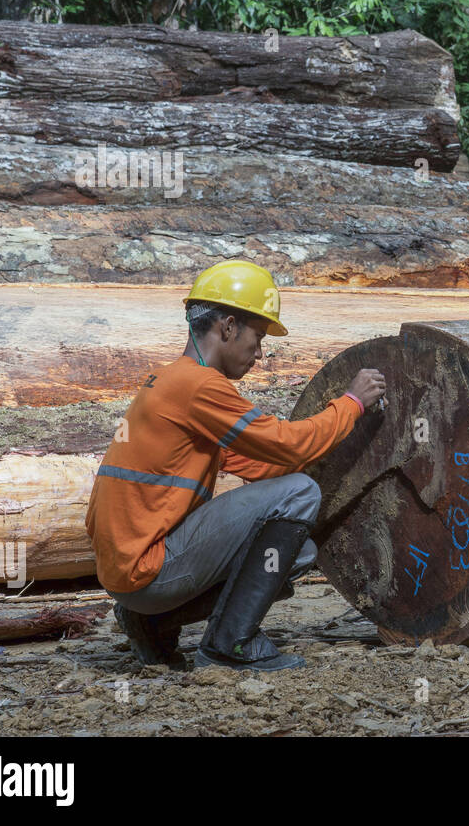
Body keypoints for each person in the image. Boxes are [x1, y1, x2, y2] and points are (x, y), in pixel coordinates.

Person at [85, 259, 386, 670]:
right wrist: (351, 404)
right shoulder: (199, 386)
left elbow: (259, 464)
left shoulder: (171, 379)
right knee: (300, 493)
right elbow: (285, 445)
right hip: (149, 570)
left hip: (127, 574)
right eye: (257, 337)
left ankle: (150, 623)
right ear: (228, 327)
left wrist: (332, 453)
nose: (259, 354)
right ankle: (230, 646)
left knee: (296, 553)